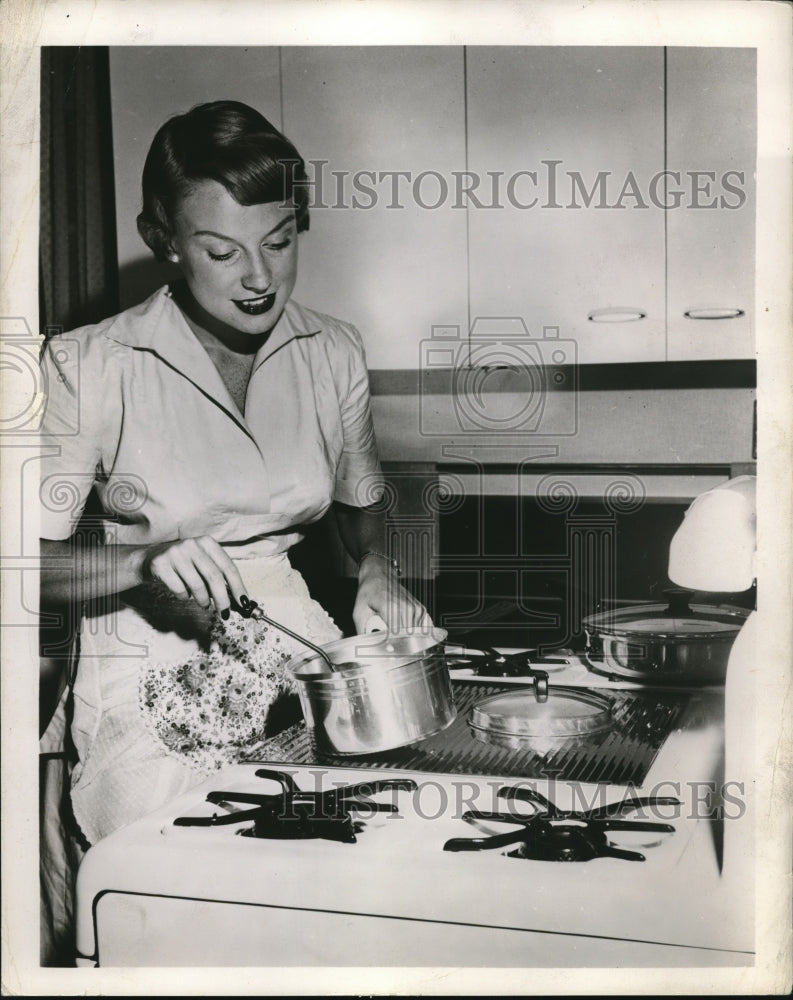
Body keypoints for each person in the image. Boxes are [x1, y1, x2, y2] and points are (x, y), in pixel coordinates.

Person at [39, 100, 430, 853]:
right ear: (167, 243)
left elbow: (360, 504)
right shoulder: (87, 363)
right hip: (147, 646)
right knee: (184, 865)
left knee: (361, 841)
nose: (259, 277)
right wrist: (141, 562)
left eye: (278, 242)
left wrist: (377, 567)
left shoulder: (333, 350)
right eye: (222, 252)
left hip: (290, 631)